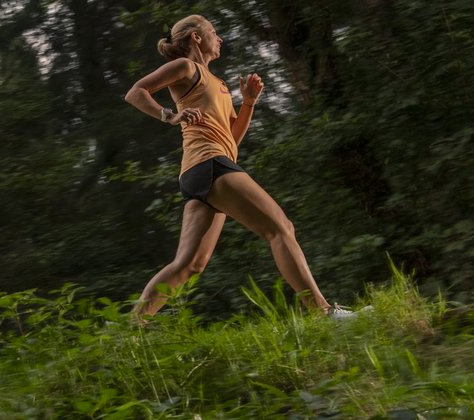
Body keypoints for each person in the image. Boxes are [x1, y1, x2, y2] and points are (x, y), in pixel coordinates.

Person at [123, 15, 359, 322]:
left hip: (205, 169)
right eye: (214, 32)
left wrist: (248, 103)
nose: (219, 39)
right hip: (208, 163)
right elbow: (135, 92)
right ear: (196, 37)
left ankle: (129, 331)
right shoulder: (186, 67)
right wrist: (169, 115)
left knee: (189, 264)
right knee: (280, 228)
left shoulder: (217, 83)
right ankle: (324, 314)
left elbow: (231, 138)